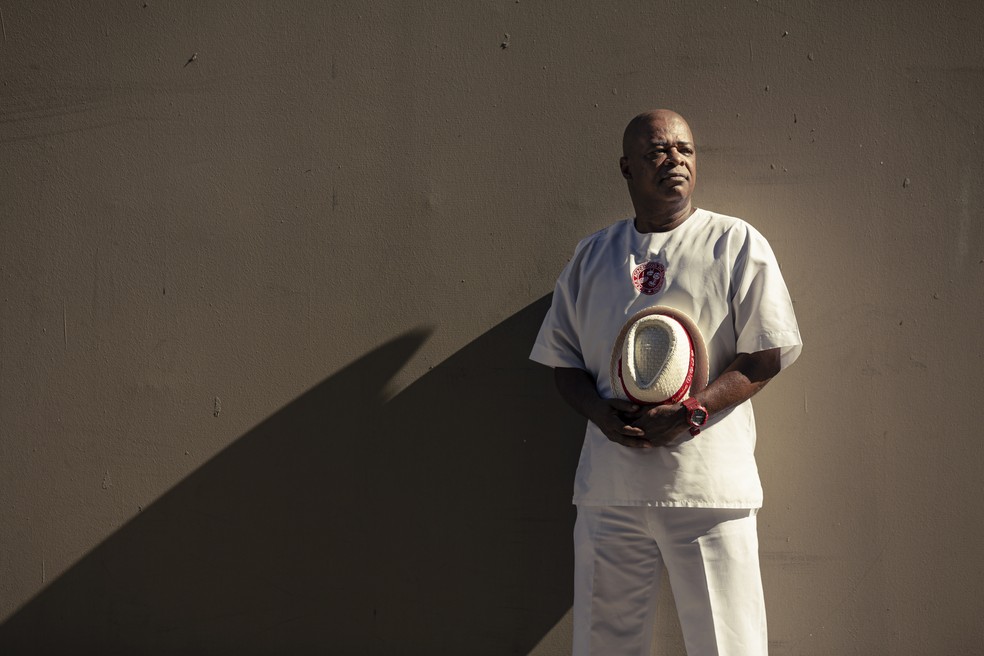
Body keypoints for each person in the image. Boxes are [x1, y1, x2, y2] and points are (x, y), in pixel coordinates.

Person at [530, 109, 802, 656]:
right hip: (611, 492)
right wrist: (600, 415)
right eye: (658, 150)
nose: (675, 160)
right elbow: (563, 362)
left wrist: (693, 411)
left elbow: (765, 354)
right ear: (626, 167)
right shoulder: (592, 255)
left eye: (686, 150)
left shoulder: (734, 241)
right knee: (602, 645)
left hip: (707, 489)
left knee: (728, 646)